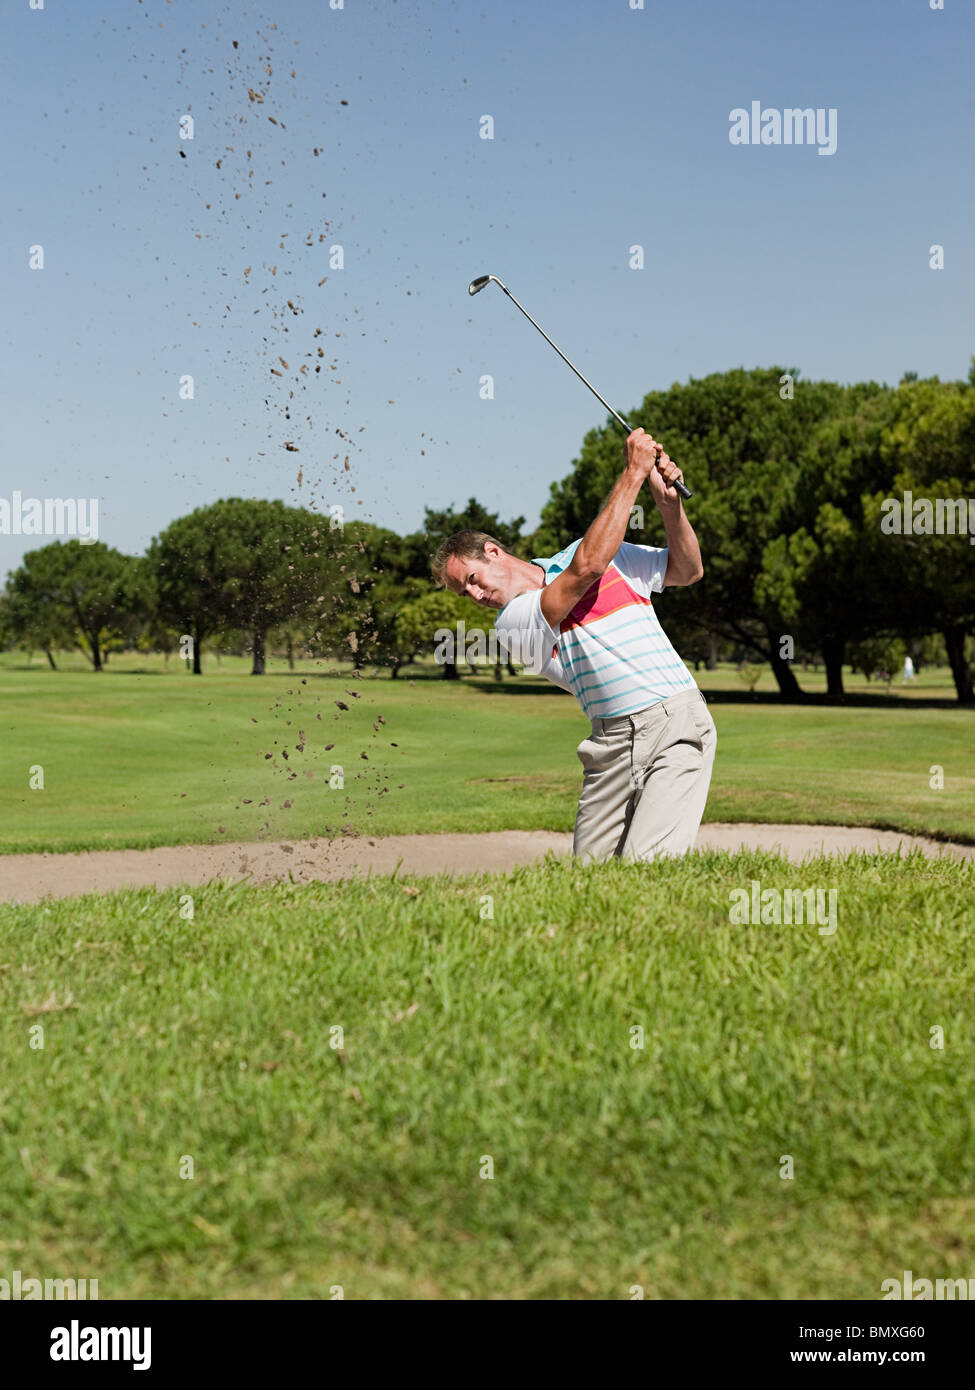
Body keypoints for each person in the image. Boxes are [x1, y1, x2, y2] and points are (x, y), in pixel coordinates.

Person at [431, 429, 715, 863]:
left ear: (492, 552)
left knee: (649, 869)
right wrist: (634, 472)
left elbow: (688, 570)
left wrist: (668, 505)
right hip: (610, 744)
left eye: (471, 579)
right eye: (462, 593)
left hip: (674, 719)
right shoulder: (514, 624)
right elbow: (586, 569)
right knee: (590, 880)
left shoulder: (600, 552)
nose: (474, 596)